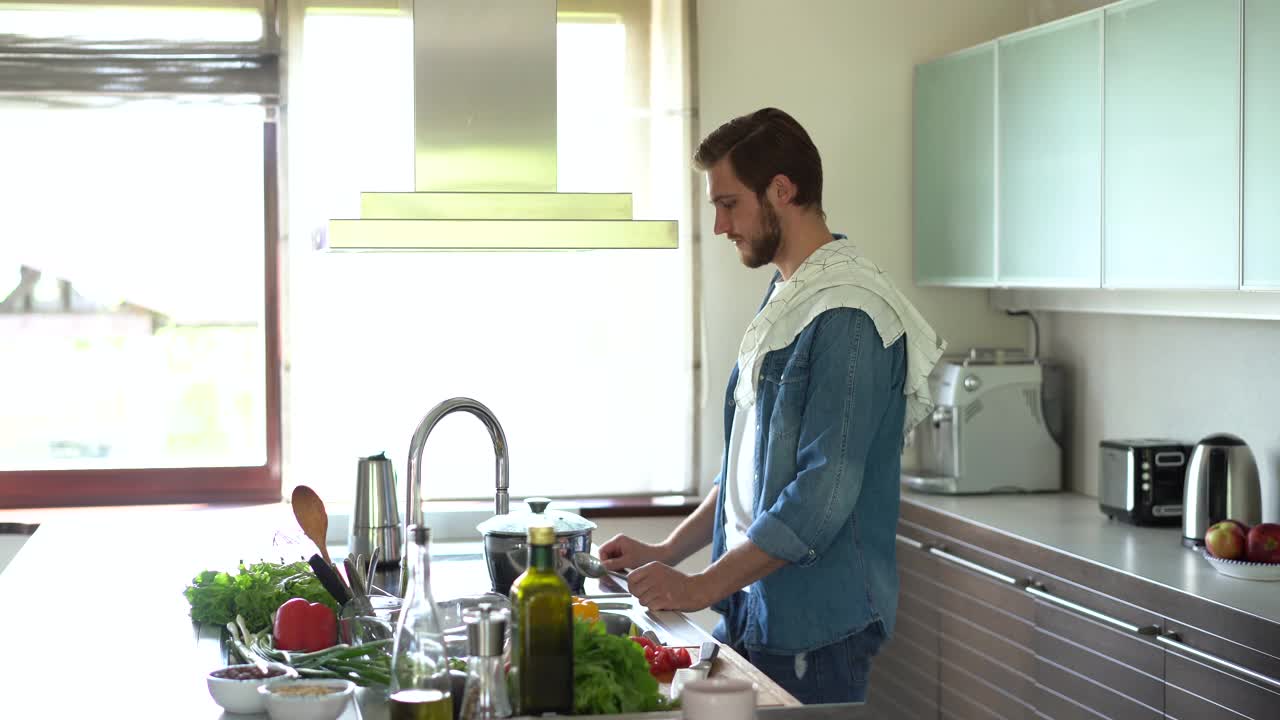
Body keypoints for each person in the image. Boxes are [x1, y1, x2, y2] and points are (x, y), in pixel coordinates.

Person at [599, 107, 946, 704]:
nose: (719, 225)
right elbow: (749, 471)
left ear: (781, 191)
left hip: (816, 630)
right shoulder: (793, 294)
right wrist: (666, 552)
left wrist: (699, 585)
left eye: (729, 203)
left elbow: (819, 498)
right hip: (756, 610)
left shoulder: (848, 313)